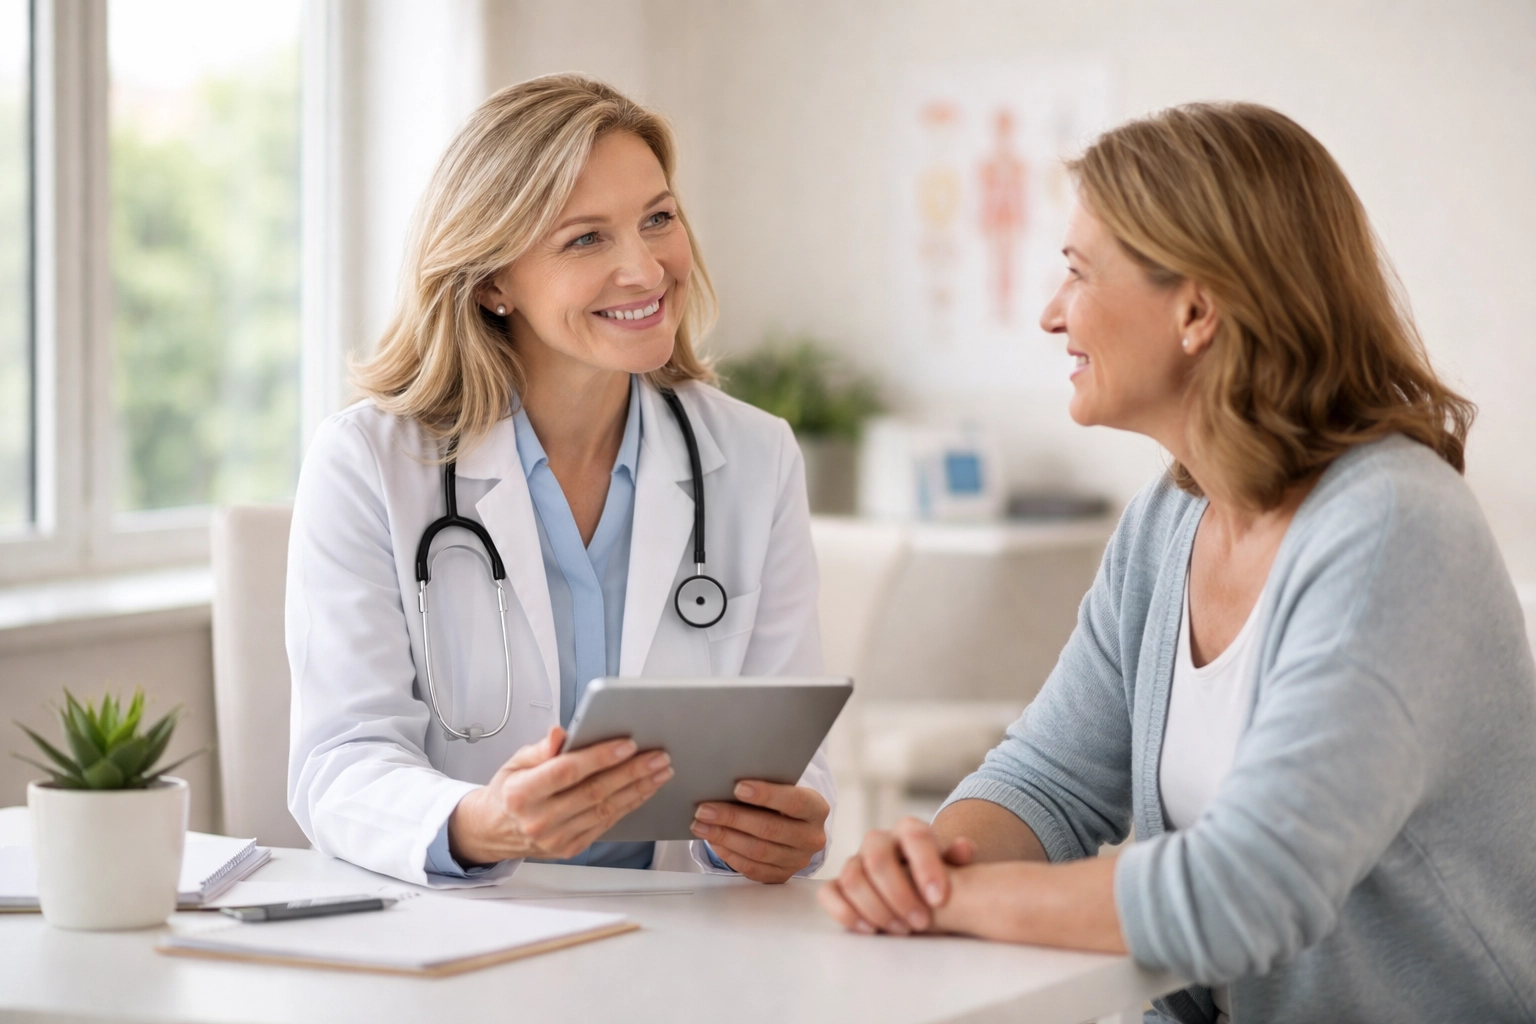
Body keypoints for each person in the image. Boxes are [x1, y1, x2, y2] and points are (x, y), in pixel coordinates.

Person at [819, 102, 1536, 1023]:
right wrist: (923, 863)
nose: (1049, 313)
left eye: (1077, 273)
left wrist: (954, 902)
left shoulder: (1393, 529)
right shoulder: (1171, 519)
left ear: (1197, 309)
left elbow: (1249, 888)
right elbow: (1049, 779)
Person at [287, 74, 832, 888]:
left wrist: (776, 831)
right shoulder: (370, 464)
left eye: (658, 218)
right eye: (586, 239)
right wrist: (481, 825)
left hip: (680, 938)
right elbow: (338, 763)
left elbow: (793, 753)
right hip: (462, 937)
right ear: (491, 281)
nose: (646, 270)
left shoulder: (755, 457)